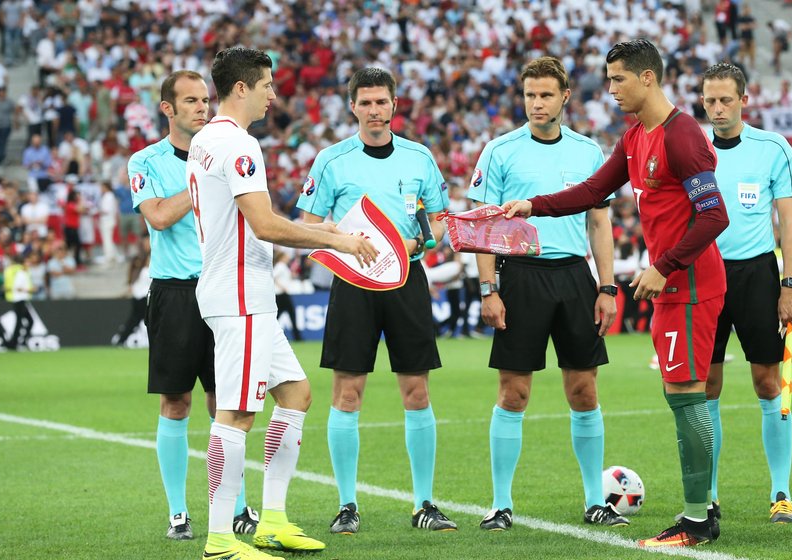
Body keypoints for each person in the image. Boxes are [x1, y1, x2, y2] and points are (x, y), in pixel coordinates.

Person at [501, 39, 729, 548]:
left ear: (647, 78)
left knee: (687, 398)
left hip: (690, 285)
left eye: (618, 80)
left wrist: (664, 266)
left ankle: (697, 520)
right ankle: (702, 509)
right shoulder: (634, 137)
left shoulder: (683, 134)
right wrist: (531, 206)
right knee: (682, 396)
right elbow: (590, 192)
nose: (611, 90)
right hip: (671, 285)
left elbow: (715, 215)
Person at [187, 46, 377, 560]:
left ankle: (271, 521)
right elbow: (265, 224)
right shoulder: (240, 146)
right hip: (240, 297)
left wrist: (319, 228)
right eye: (268, 85)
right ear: (243, 88)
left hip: (245, 293)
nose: (275, 94)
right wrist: (335, 242)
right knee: (236, 415)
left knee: (295, 394)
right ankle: (221, 540)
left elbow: (255, 226)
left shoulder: (207, 139)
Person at [297, 67, 457, 535]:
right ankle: (347, 505)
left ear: (393, 105)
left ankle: (424, 503)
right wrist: (344, 243)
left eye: (381, 102)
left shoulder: (419, 157)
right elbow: (306, 224)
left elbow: (441, 219)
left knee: (417, 391)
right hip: (353, 284)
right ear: (352, 107)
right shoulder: (331, 160)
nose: (374, 111)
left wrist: (418, 244)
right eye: (365, 103)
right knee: (347, 394)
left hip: (407, 279)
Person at [467, 56, 621, 531]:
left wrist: (607, 286)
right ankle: (500, 504)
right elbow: (483, 227)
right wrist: (489, 289)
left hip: (575, 277)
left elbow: (599, 221)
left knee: (584, 390)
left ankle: (596, 500)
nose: (537, 103)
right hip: (520, 278)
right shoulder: (499, 150)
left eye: (546, 95)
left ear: (565, 97)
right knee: (513, 393)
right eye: (530, 94)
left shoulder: (588, 151)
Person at [127, 70, 259, 542]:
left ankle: (240, 507)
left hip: (224, 286)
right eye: (190, 101)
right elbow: (159, 216)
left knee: (227, 402)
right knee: (176, 401)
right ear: (168, 109)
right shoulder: (145, 160)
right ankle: (179, 512)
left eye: (205, 99)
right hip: (176, 293)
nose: (203, 107)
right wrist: (202, 179)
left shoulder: (229, 149)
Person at [700, 62, 792, 523]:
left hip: (758, 276)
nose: (717, 109)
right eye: (709, 101)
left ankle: (780, 493)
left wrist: (789, 284)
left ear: (745, 100)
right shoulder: (692, 149)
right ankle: (708, 494)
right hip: (703, 274)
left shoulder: (774, 148)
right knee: (706, 387)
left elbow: (789, 221)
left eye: (725, 100)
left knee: (769, 383)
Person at [3, 253, 33, 350]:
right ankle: (15, 343)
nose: (29, 263)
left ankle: (17, 343)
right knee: (22, 322)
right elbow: (18, 287)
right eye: (28, 262)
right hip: (19, 299)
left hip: (19, 299)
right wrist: (29, 290)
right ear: (23, 263)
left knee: (25, 321)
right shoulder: (21, 272)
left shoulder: (13, 270)